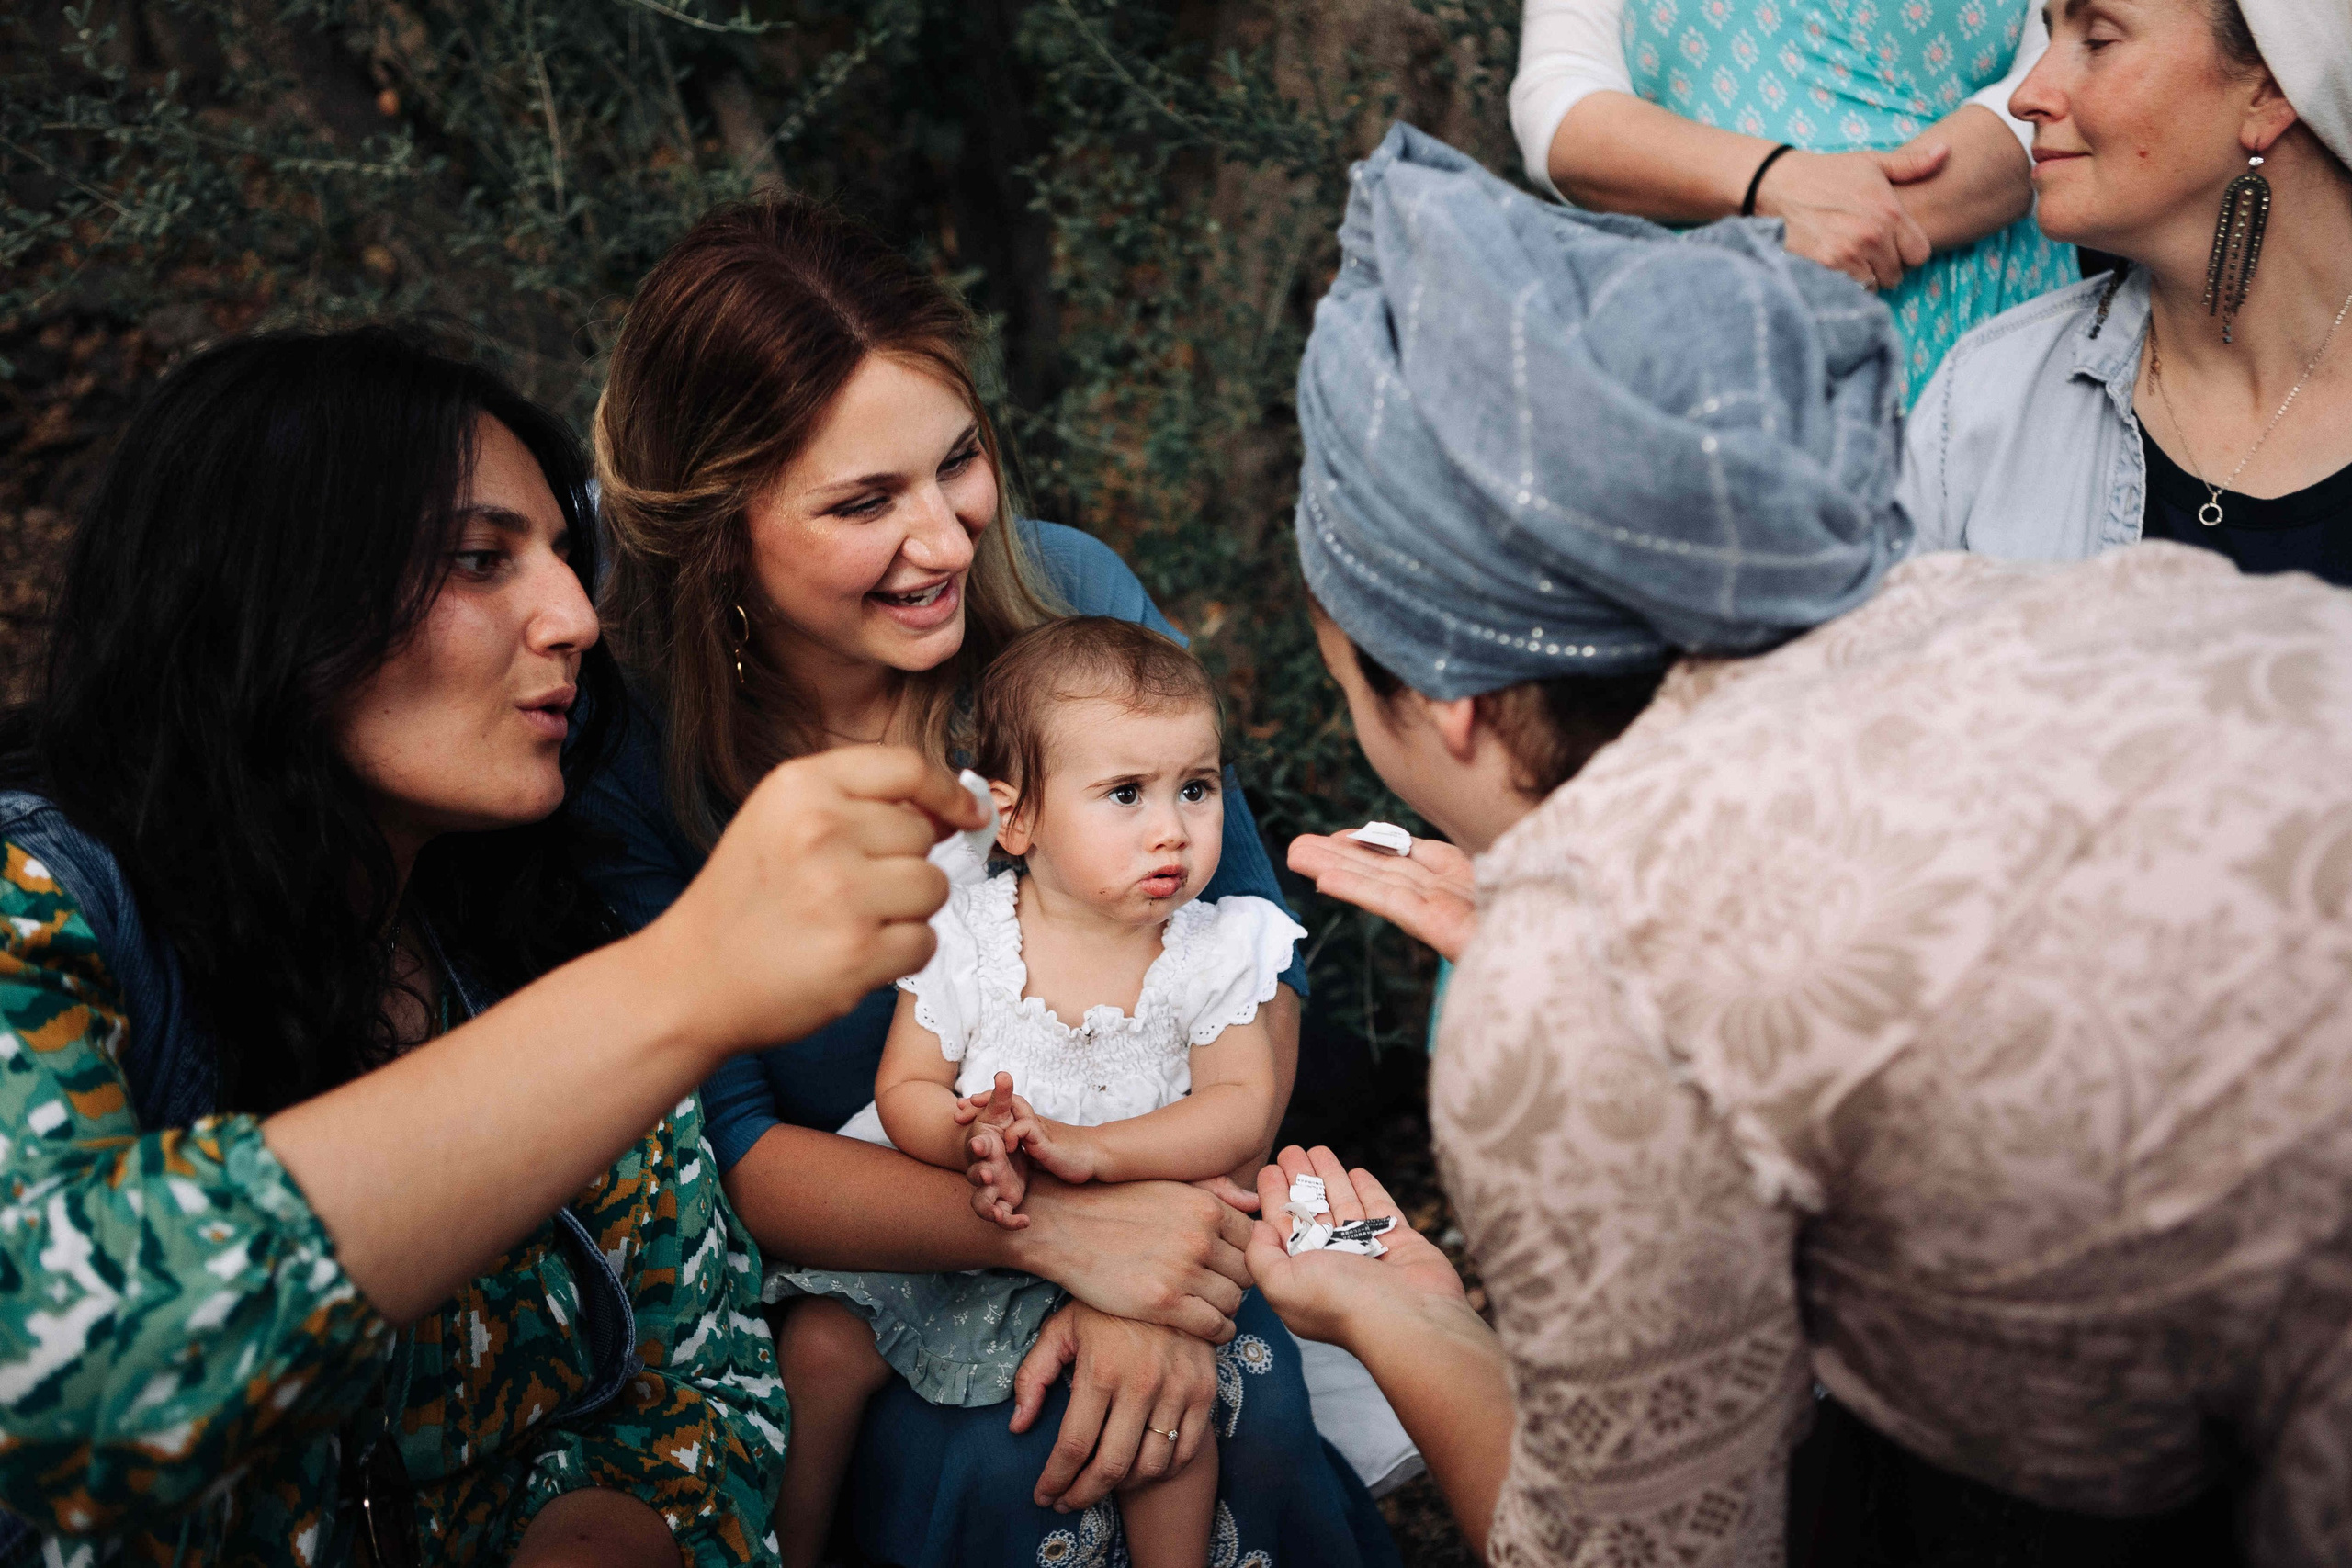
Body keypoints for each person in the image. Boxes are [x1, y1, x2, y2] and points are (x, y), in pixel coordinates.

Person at [1256, 123, 2352, 1565]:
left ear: (1448, 701)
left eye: (1346, 670)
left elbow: (1647, 1549)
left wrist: (1415, 1311)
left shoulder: (1582, 985)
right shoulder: (1972, 601)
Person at [0, 330, 993, 1567]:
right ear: (273, 590)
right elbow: (45, 1360)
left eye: (567, 562)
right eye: (482, 559)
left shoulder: (526, 930)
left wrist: (596, 1529)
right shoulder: (40, 900)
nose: (576, 616)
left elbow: (709, 1388)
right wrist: (679, 981)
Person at [581, 197, 1400, 1566]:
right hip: (873, 1283)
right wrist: (1065, 1241)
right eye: (863, 501)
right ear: (722, 532)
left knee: (1217, 1401)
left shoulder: (1068, 598)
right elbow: (729, 1148)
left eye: (958, 459)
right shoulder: (636, 760)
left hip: (1175, 1181)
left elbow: (1245, 950)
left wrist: (1160, 1257)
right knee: (1015, 1463)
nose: (951, 538)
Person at [772, 616, 1306, 1568]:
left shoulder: (1215, 947)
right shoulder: (964, 933)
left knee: (1168, 1438)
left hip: (1143, 1228)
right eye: (1126, 794)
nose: (1171, 829)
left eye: (1196, 787)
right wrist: (967, 1141)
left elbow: (1238, 1108)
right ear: (1015, 819)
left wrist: (1100, 1153)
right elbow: (908, 1083)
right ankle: (782, 1551)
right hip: (973, 1224)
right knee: (818, 1345)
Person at [1901, 0, 2352, 585]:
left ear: (2268, 89)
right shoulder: (1984, 401)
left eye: (2098, 41)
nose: (2025, 96)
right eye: (2047, 37)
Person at [1511, 0, 2077, 391]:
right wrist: (1772, 186)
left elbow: (2064, 72)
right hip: (1711, 330)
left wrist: (1857, 221)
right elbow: (1559, 101)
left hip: (1987, 313)